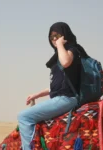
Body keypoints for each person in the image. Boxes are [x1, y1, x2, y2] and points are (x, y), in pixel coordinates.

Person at [17, 22, 88, 150]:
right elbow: (55, 86)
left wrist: (60, 45)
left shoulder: (72, 50)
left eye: (57, 35)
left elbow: (66, 62)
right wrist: (36, 95)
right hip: (60, 97)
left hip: (67, 98)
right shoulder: (57, 58)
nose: (54, 39)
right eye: (51, 37)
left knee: (24, 116)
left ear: (65, 35)